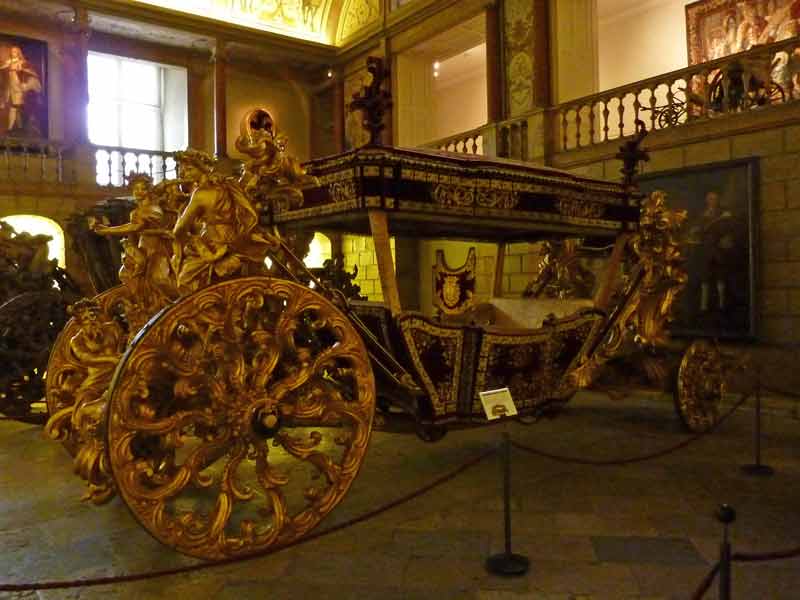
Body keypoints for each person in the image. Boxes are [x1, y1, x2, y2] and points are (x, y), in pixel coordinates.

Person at [691, 191, 737, 313]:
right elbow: (698, 230)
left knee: (720, 275)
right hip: (706, 249)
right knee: (705, 276)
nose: (713, 201)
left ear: (718, 200)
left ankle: (721, 304)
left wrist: (727, 239)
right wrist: (696, 231)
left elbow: (728, 231)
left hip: (718, 249)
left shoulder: (724, 215)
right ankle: (703, 305)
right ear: (707, 200)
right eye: (710, 198)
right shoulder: (702, 215)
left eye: (715, 199)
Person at [0, 46, 43, 135]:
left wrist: (21, 69)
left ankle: (11, 128)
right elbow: (3, 67)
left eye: (15, 51)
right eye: (12, 51)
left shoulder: (22, 62)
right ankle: (18, 127)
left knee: (16, 106)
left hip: (19, 87)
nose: (13, 53)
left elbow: (30, 73)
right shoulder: (9, 62)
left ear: (18, 53)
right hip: (11, 86)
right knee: (16, 107)